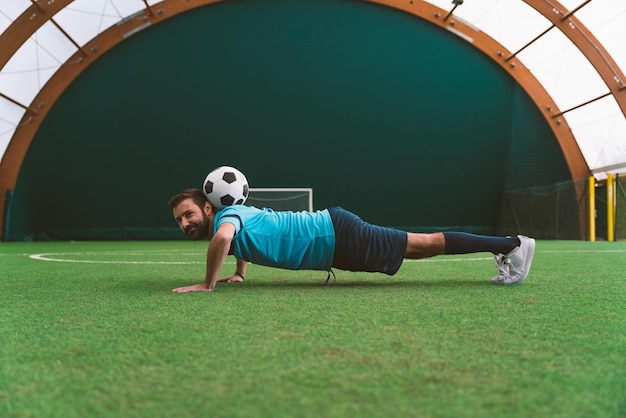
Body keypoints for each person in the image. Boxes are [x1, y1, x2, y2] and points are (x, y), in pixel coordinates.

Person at [167, 189, 535, 293]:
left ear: (207, 206)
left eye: (188, 215)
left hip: (334, 236)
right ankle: (505, 245)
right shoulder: (237, 214)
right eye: (180, 221)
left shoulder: (227, 216)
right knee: (417, 248)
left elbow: (224, 237)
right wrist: (240, 273)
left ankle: (510, 245)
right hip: (334, 237)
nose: (185, 223)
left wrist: (207, 283)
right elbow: (237, 242)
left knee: (422, 245)